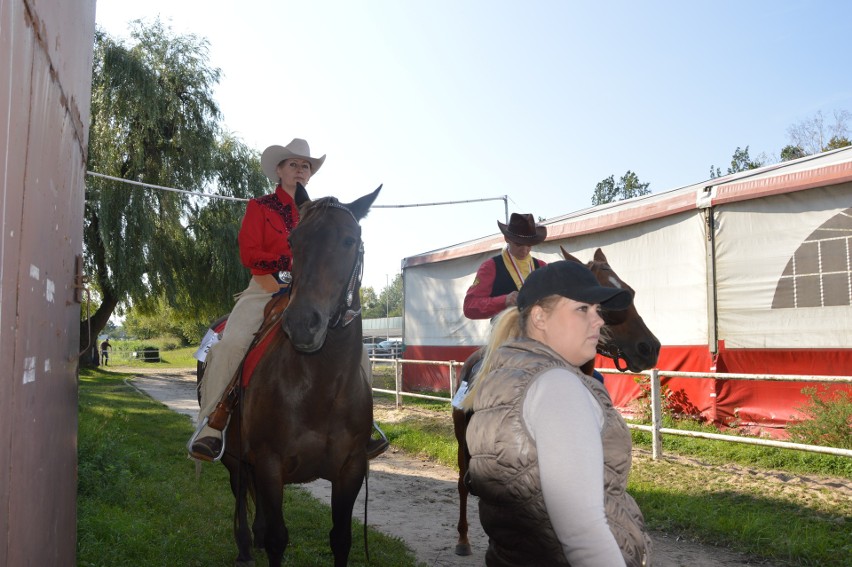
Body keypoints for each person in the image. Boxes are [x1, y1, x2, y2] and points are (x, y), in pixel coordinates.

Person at [190, 138, 389, 462]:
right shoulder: (260, 207)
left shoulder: (322, 213)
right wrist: (292, 257)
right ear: (279, 170)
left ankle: (363, 426)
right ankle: (213, 424)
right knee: (231, 343)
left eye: (305, 165)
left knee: (358, 351)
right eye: (293, 164)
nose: (300, 169)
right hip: (266, 289)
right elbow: (249, 253)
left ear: (310, 175)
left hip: (312, 292)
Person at [463, 261, 653, 566]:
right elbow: (583, 536)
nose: (599, 322)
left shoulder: (501, 376)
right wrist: (504, 299)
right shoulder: (557, 386)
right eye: (583, 310)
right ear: (539, 317)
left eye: (597, 310)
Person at [463, 212, 547, 320]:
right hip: (505, 335)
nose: (525, 249)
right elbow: (469, 307)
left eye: (529, 244)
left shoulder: (542, 267)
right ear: (507, 239)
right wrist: (504, 301)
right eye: (519, 244)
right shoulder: (490, 267)